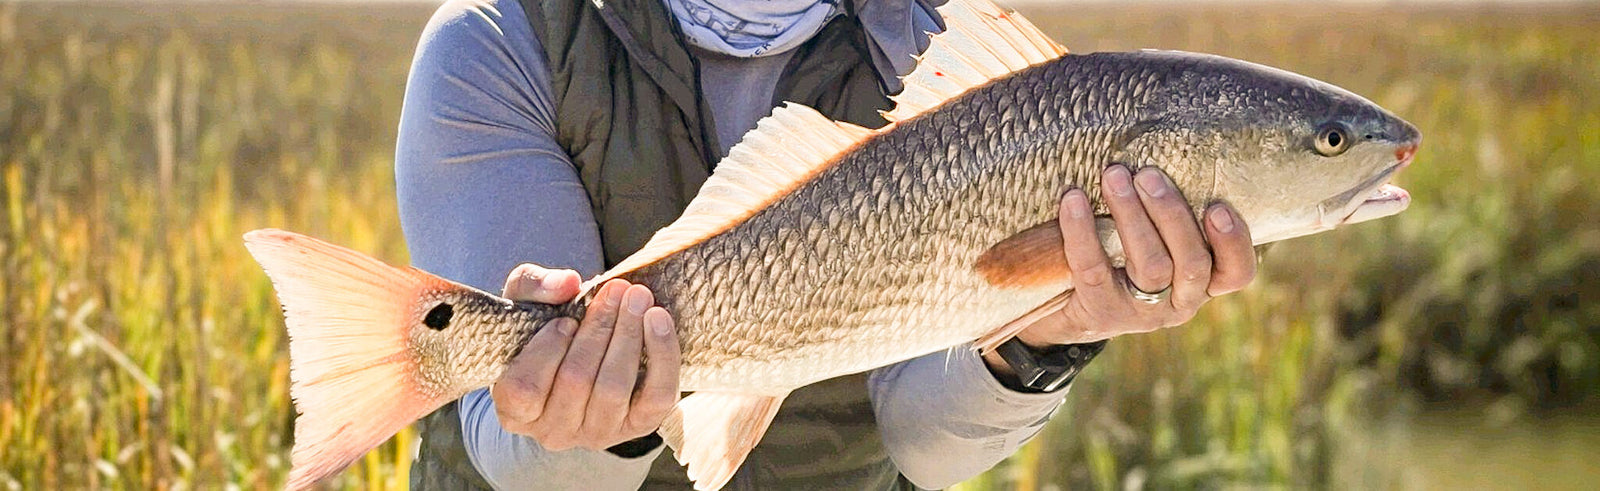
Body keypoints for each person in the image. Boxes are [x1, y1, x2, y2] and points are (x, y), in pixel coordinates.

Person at [395, 0, 1257, 489]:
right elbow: (524, 472)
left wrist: (1045, 336)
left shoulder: (949, 58)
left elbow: (927, 447)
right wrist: (615, 416)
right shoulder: (501, 40)